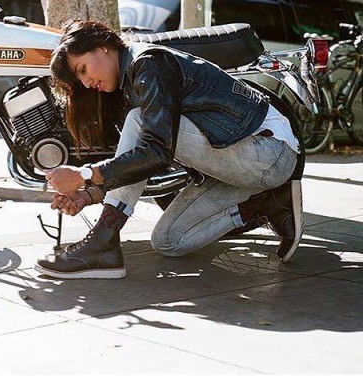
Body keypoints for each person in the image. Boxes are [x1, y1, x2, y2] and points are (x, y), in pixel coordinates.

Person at [35, 20, 303, 279]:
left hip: (269, 152)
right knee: (168, 242)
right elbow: (140, 161)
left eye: (82, 69)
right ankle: (266, 203)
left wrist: (84, 175)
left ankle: (104, 241)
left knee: (139, 121)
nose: (85, 83)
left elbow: (155, 152)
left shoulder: (149, 63)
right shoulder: (129, 81)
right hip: (236, 168)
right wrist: (91, 194)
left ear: (102, 46)